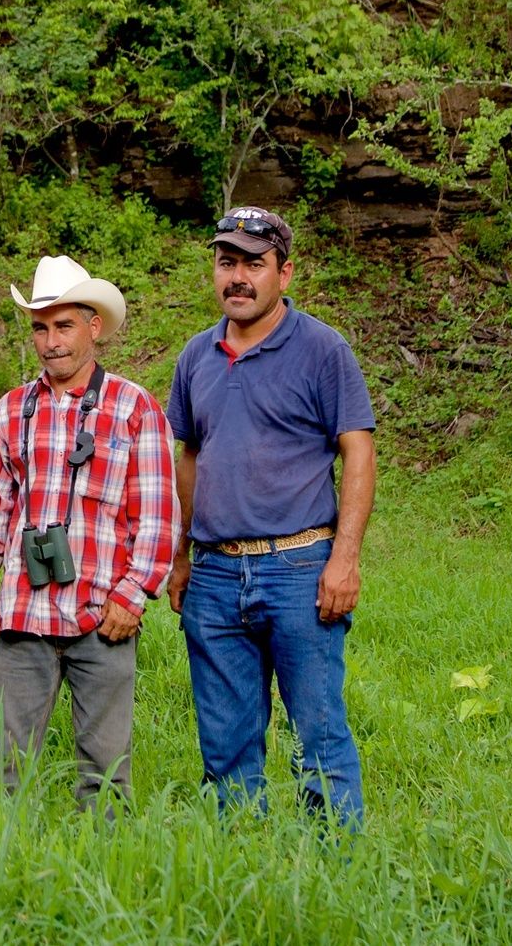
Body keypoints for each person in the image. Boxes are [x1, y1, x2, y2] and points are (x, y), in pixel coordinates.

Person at [165, 205, 376, 827]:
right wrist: (181, 556)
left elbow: (357, 449)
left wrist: (344, 558)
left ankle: (336, 864)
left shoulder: (321, 349)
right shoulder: (196, 357)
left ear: (285, 273)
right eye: (226, 262)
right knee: (225, 742)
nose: (237, 277)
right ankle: (241, 863)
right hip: (216, 574)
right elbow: (191, 454)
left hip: (300, 568)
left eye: (253, 264)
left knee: (319, 732)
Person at [0, 255, 178, 812]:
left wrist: (132, 596)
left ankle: (104, 876)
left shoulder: (134, 409)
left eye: (63, 325)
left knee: (105, 773)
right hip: (24, 615)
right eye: (40, 327)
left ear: (93, 327)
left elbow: (157, 514)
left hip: (102, 615)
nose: (51, 341)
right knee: (2, 768)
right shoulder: (11, 412)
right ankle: (2, 871)